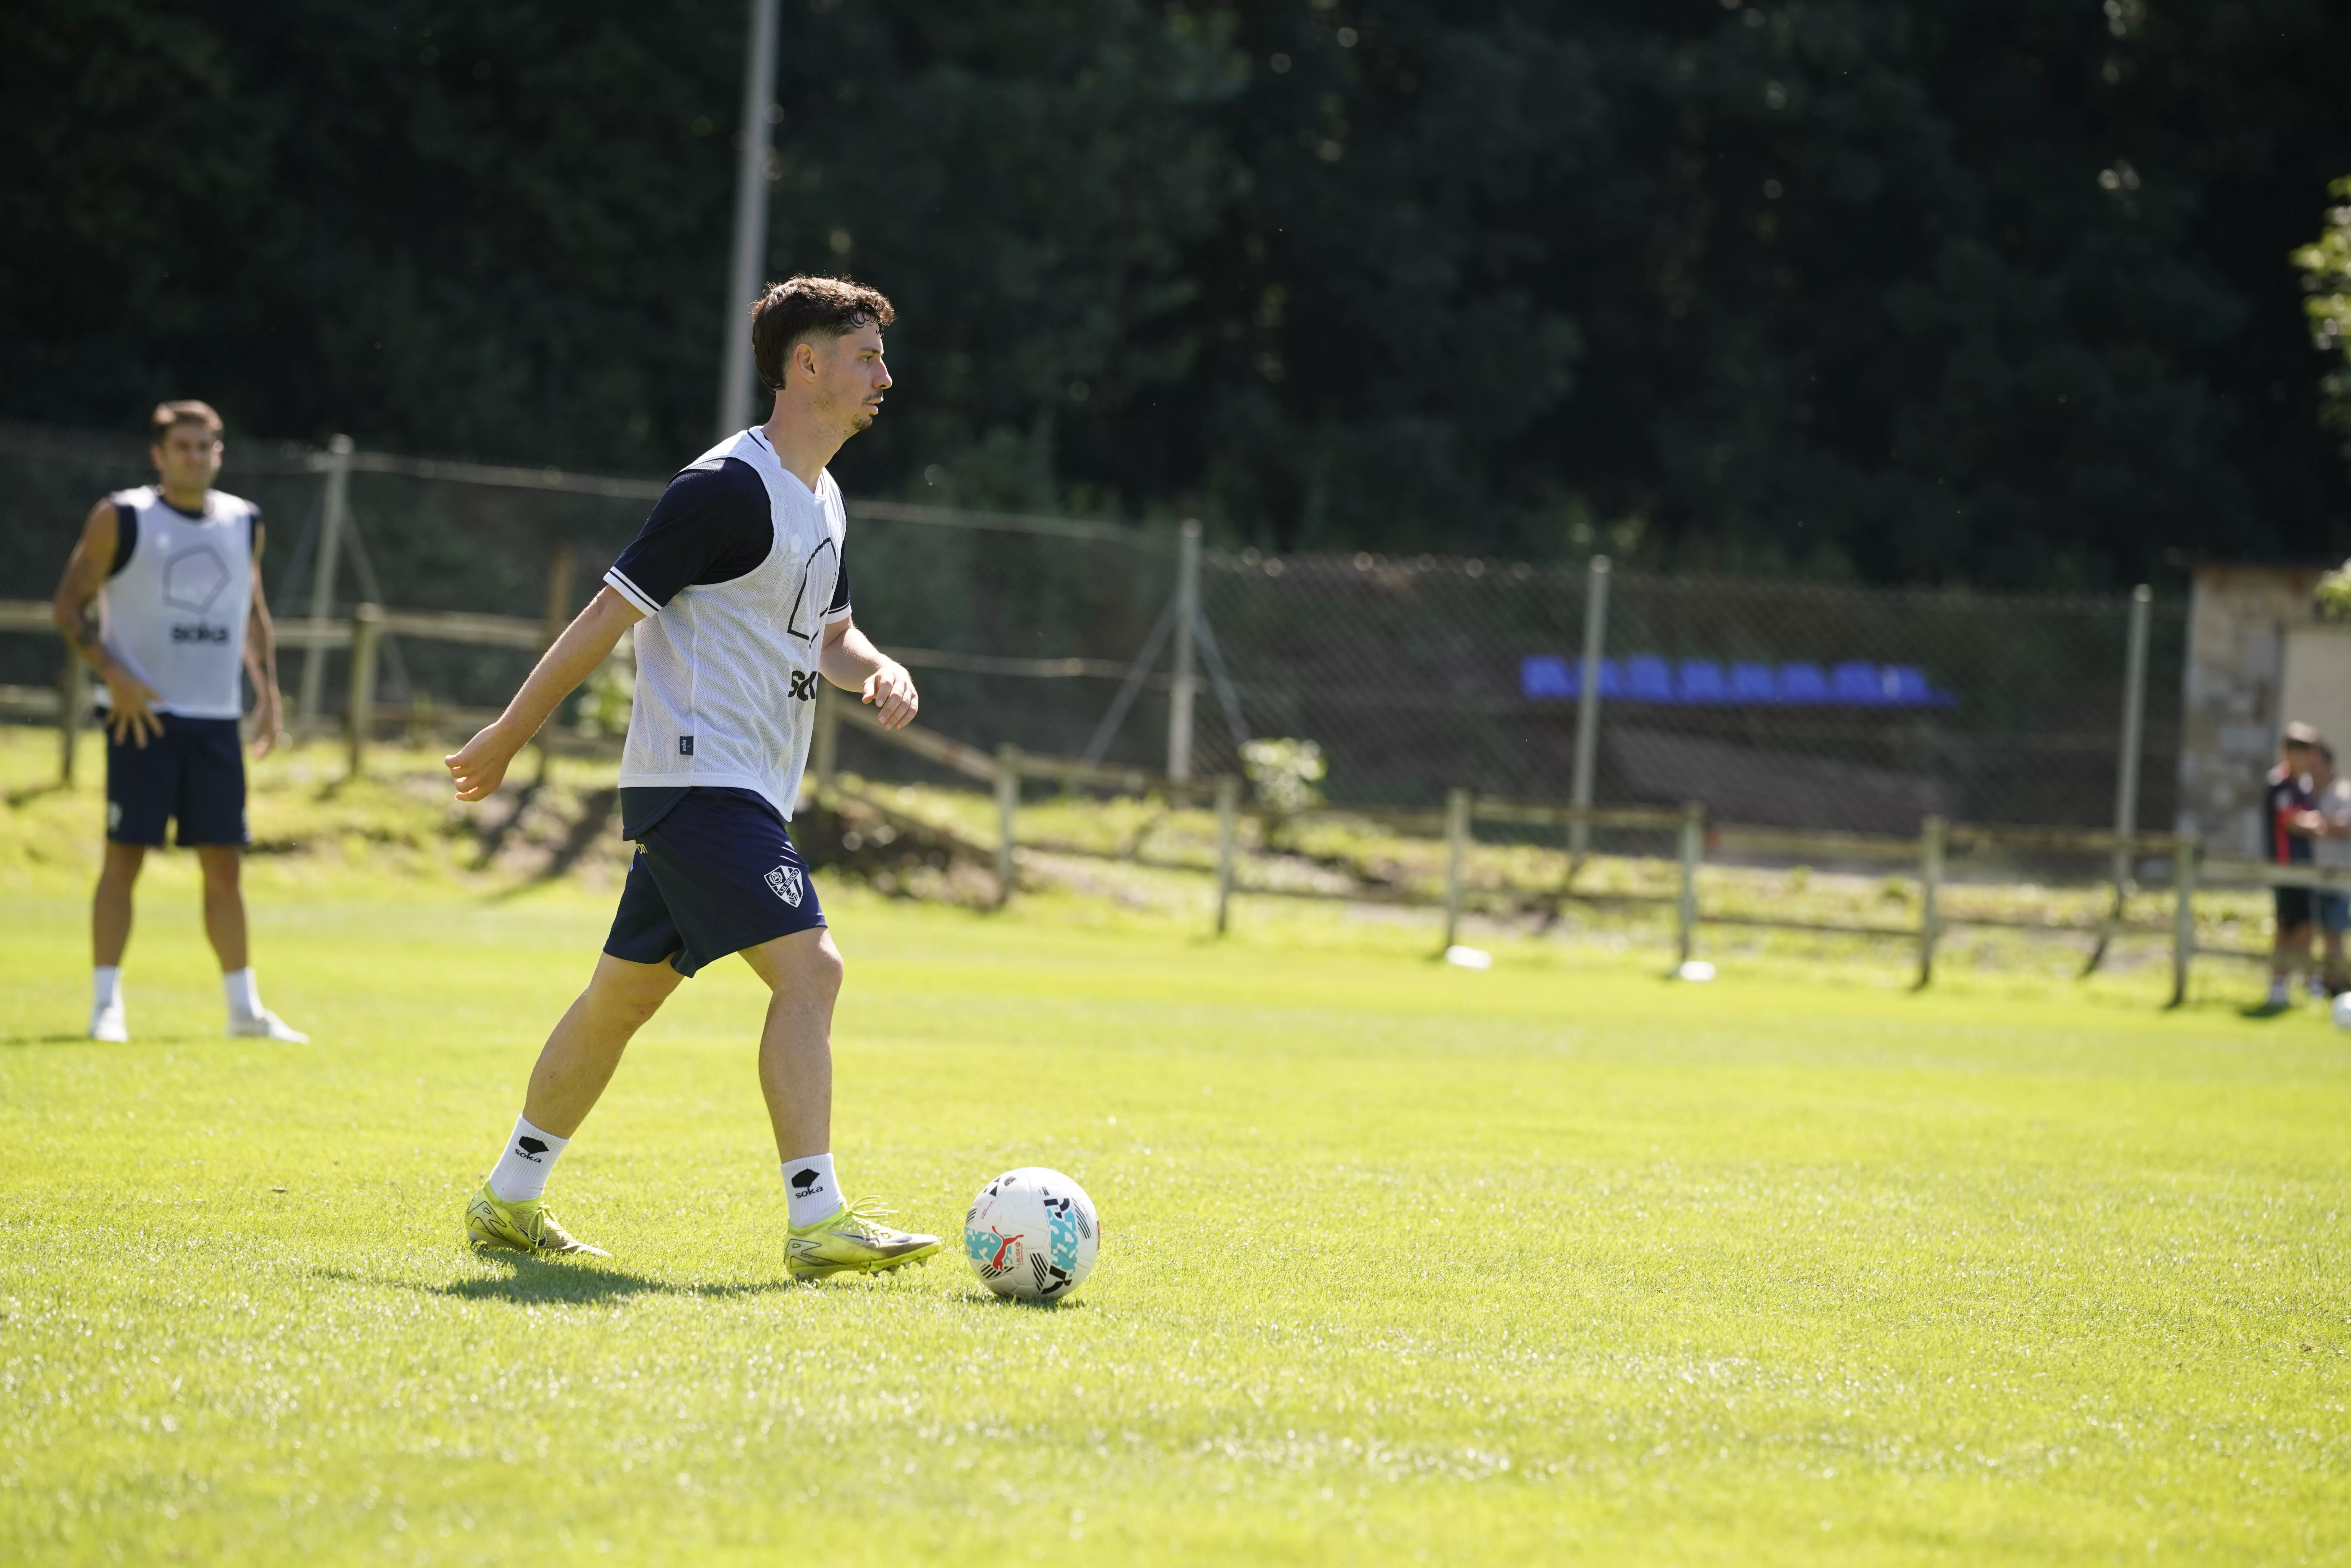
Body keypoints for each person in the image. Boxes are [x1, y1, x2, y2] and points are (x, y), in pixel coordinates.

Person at [444, 276, 940, 1279]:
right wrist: (508, 734)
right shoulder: (721, 487)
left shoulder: (823, 497)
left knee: (617, 1003)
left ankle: (507, 1198)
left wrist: (878, 669)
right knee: (815, 970)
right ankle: (817, 1217)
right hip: (697, 782)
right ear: (808, 364)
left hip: (738, 792)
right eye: (866, 357)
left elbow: (831, 638)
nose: (885, 377)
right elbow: (604, 619)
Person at [49, 401, 308, 1044]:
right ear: (159, 454)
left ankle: (244, 1011)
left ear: (219, 452)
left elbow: (252, 610)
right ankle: (106, 1006)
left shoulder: (244, 521)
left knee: (225, 869)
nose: (195, 456)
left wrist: (267, 691)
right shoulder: (123, 517)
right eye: (183, 446)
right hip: (143, 721)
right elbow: (67, 606)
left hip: (216, 722)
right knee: (124, 859)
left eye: (207, 446)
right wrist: (116, 677)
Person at [2263, 722, 2323, 1009]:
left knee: (2306, 927)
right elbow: (2291, 822)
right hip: (2286, 868)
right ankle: (2278, 987)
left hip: (2304, 868)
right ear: (2286, 752)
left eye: (2308, 751)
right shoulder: (2278, 783)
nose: (2305, 757)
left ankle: (2306, 983)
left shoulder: (2305, 785)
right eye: (2298, 751)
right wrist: (2317, 824)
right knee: (2287, 928)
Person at [2296, 741, 2351, 997]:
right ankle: (2313, 986)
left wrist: (2313, 823)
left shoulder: (2344, 792)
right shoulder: (2306, 792)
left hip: (2337, 877)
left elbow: (2345, 827)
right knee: (2307, 933)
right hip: (2308, 876)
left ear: (2328, 765)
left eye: (2315, 765)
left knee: (2333, 935)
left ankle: (2335, 988)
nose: (2310, 770)